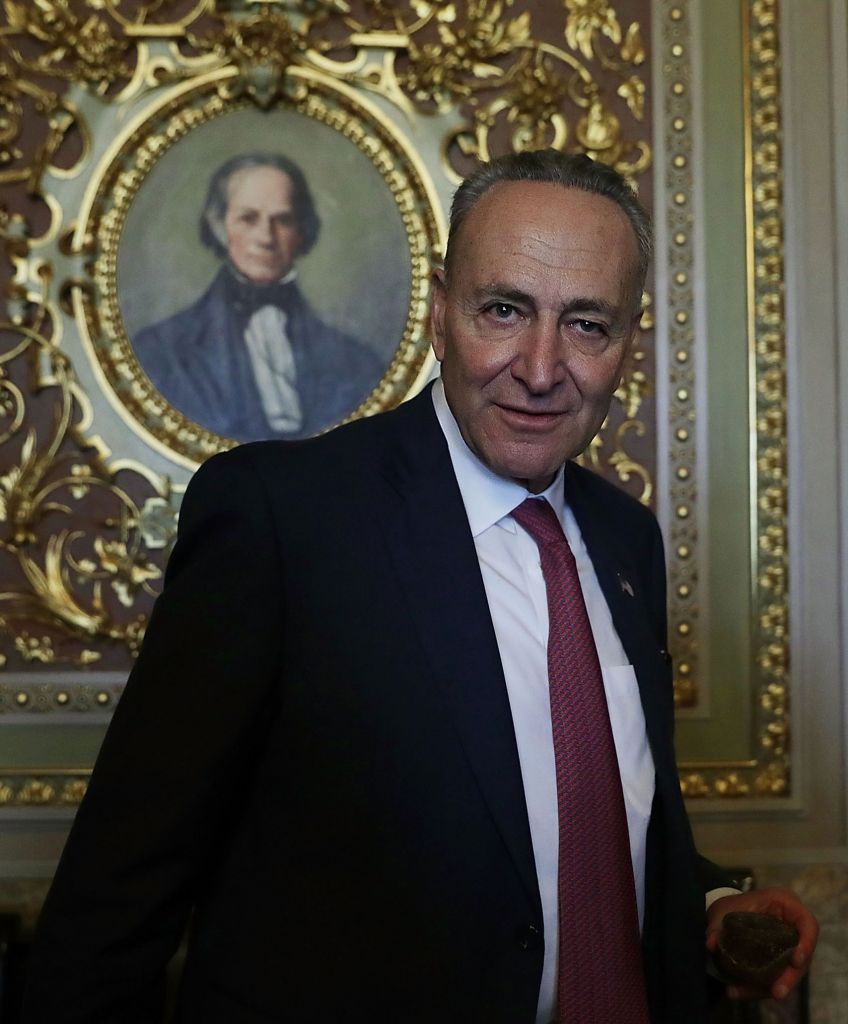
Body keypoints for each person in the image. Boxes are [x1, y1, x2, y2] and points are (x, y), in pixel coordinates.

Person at [24, 150, 817, 1023]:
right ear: (440, 312)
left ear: (630, 340)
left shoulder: (628, 540)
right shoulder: (282, 520)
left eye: (587, 324)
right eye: (505, 310)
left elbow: (566, 816)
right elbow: (118, 897)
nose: (542, 367)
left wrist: (704, 906)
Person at [133, 152, 383, 441]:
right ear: (218, 224)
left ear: (302, 231)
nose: (265, 237)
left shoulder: (358, 364)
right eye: (248, 219)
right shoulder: (160, 354)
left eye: (283, 220)